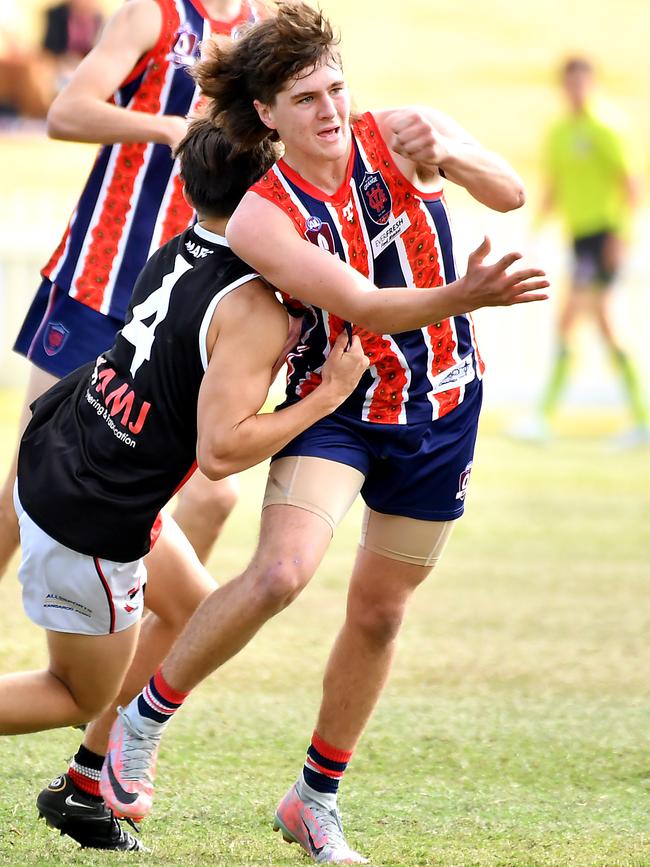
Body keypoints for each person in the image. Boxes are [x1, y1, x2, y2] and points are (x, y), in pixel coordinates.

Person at [100, 4, 549, 863]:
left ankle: (313, 798)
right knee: (278, 573)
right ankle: (140, 723)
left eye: (337, 87)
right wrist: (466, 295)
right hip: (340, 406)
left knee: (380, 615)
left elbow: (509, 193)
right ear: (266, 113)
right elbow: (366, 307)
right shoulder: (266, 217)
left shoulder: (399, 132)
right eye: (305, 97)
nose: (331, 110)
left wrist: (447, 153)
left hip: (443, 409)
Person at [1, 116, 369, 861]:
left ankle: (85, 784)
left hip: (63, 448)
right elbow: (223, 449)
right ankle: (86, 762)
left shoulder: (179, 244)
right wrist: (324, 399)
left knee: (196, 611)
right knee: (77, 693)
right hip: (92, 510)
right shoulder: (253, 304)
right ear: (270, 192)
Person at [0, 0, 269, 586]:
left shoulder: (263, 23)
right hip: (99, 275)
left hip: (185, 293)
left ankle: (144, 661)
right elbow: (65, 113)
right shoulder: (153, 15)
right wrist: (165, 128)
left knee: (211, 500)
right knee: (28, 480)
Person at [518, 56, 647, 444]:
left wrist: (621, 236)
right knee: (593, 325)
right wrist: (534, 232)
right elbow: (554, 186)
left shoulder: (608, 127)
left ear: (591, 83)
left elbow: (632, 184)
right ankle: (637, 419)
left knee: (585, 322)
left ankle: (545, 417)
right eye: (569, 83)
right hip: (579, 240)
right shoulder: (558, 132)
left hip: (603, 237)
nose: (575, 90)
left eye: (581, 83)